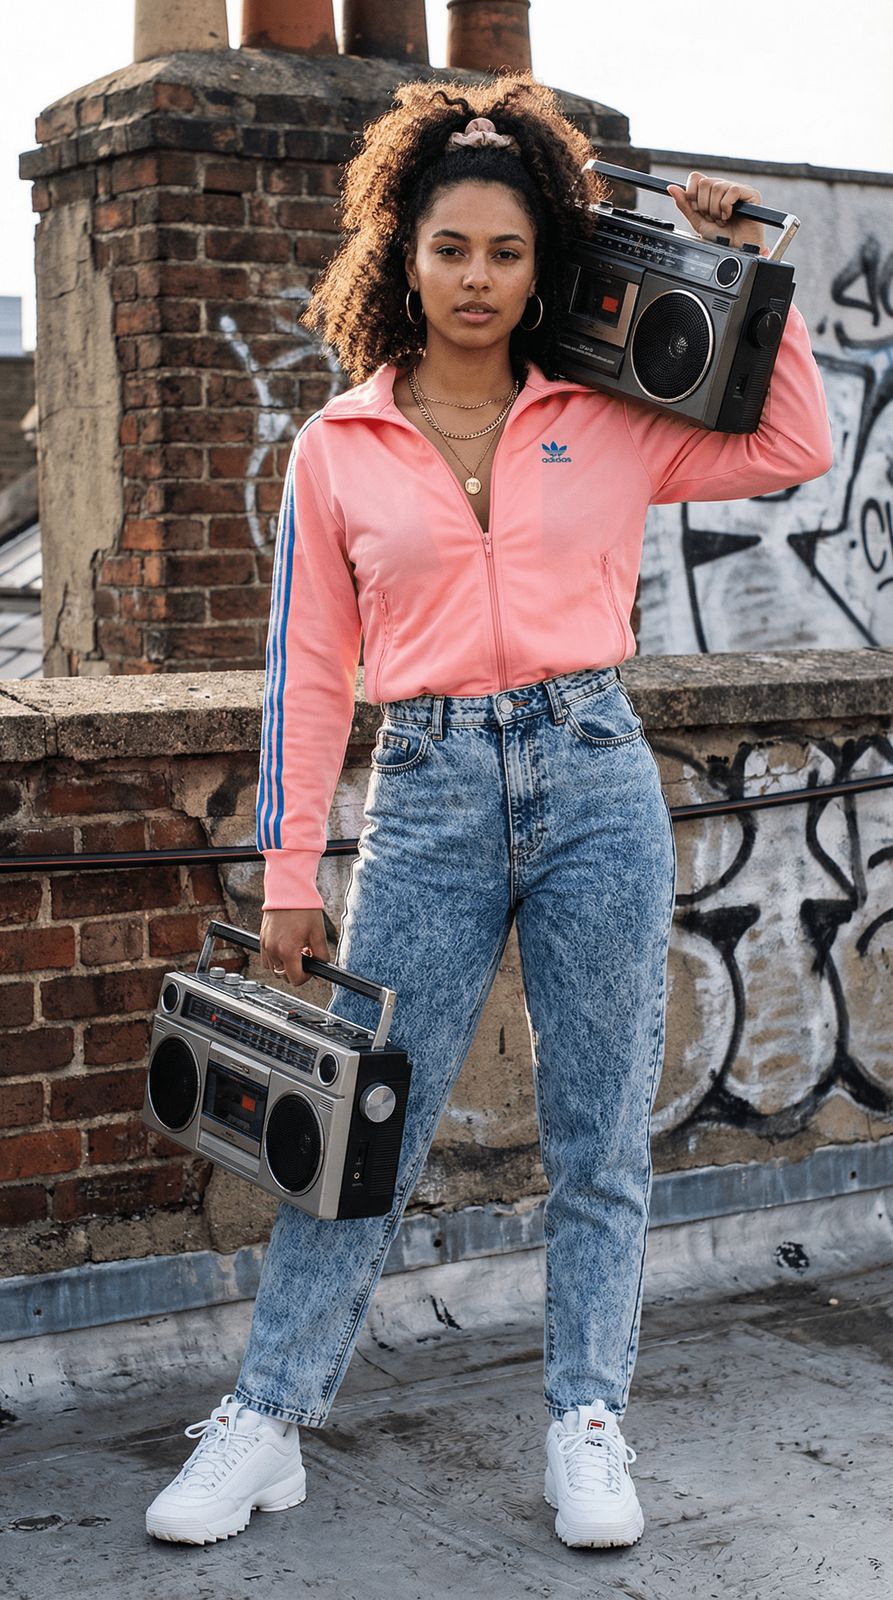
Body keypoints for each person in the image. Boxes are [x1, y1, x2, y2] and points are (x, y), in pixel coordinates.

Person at [146, 74, 834, 1551]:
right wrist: (288, 872)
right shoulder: (339, 445)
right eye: (451, 248)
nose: (476, 278)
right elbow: (306, 676)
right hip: (432, 792)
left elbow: (791, 450)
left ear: (546, 268)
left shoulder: (606, 413)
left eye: (507, 252)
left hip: (593, 772)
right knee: (354, 1131)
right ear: (403, 253)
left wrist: (752, 265)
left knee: (599, 1137)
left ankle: (586, 1418)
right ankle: (266, 1421)